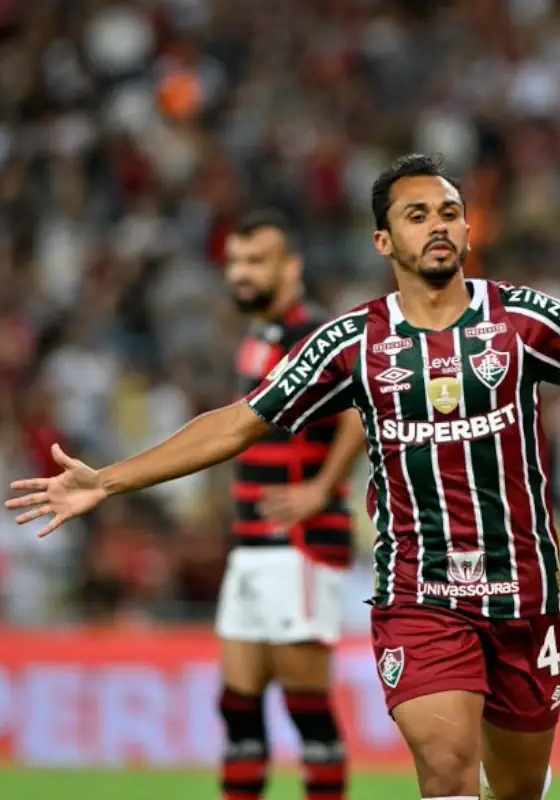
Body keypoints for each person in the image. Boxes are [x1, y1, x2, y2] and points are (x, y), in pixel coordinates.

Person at [6, 154, 560, 800]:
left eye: (451, 211)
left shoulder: (525, 320)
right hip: (419, 596)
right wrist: (109, 481)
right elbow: (240, 421)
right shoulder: (352, 342)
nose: (440, 225)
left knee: (515, 788)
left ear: (468, 229)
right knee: (443, 770)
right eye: (419, 214)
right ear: (383, 237)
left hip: (527, 596)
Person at [216, 209, 365, 800]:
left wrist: (322, 489)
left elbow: (357, 409)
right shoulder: (258, 336)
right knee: (237, 709)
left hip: (300, 544)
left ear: (291, 267)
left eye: (256, 261)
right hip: (253, 545)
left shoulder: (315, 334)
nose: (241, 273)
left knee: (308, 711)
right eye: (234, 261)